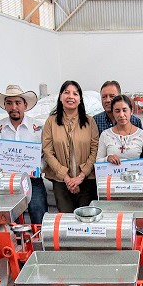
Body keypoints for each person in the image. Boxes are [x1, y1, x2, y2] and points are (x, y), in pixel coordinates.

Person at [0, 84, 47, 224]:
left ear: (25, 105)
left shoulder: (38, 128)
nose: (13, 107)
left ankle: (39, 242)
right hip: (6, 182)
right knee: (9, 218)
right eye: (9, 103)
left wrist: (37, 169)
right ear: (4, 106)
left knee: (38, 213)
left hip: (33, 181)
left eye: (18, 103)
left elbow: (45, 154)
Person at [42, 80, 100, 211]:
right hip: (60, 182)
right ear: (60, 97)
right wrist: (66, 178)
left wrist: (81, 176)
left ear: (80, 99)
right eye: (66, 92)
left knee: (85, 220)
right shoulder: (50, 122)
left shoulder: (90, 122)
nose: (70, 97)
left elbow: (95, 150)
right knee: (66, 223)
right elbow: (47, 152)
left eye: (75, 93)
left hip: (86, 181)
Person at [97, 94, 143, 163]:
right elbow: (98, 161)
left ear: (131, 111)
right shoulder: (105, 135)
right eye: (117, 111)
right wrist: (107, 159)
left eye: (124, 110)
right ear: (113, 113)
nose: (121, 115)